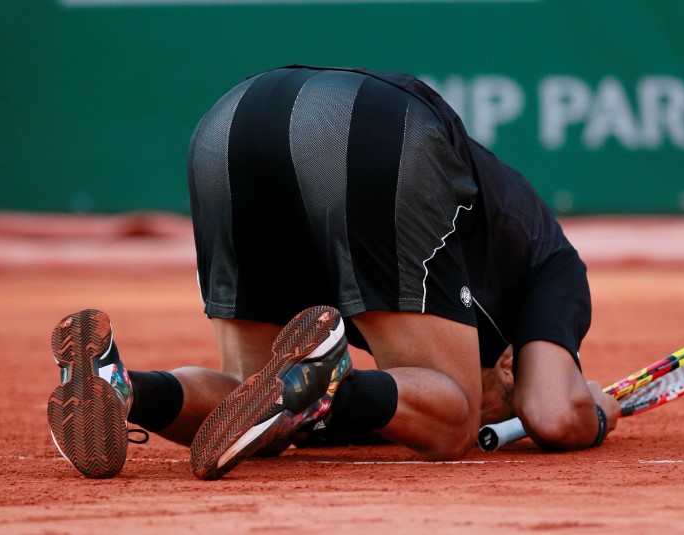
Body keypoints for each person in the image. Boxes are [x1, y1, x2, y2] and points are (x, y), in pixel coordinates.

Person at [46, 65, 619, 480]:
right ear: (511, 355)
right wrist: (596, 406)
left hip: (230, 123)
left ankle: (118, 387)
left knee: (257, 412)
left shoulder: (490, 257)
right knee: (455, 419)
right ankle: (327, 386)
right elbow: (552, 412)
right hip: (370, 131)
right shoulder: (554, 264)